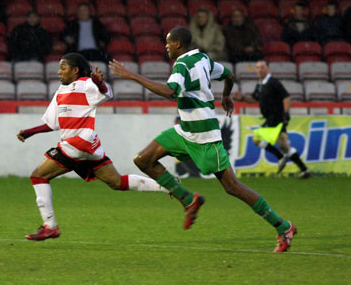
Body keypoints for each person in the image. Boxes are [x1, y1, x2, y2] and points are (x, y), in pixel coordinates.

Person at [109, 27, 297, 253]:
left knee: (232, 187)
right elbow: (229, 75)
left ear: (178, 44)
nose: (165, 46)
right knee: (143, 159)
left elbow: (170, 92)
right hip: (185, 131)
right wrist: (226, 95)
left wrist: (132, 75)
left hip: (206, 135)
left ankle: (283, 226)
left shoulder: (182, 65)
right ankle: (188, 199)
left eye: (168, 43)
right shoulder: (203, 59)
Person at [17, 53, 167, 241]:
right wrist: (31, 131)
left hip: (77, 144)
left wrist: (99, 84)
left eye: (63, 68)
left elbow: (106, 93)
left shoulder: (87, 84)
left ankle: (50, 226)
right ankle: (167, 186)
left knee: (38, 176)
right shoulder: (60, 92)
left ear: (75, 70)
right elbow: (53, 124)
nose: (59, 71)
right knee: (117, 182)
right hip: (89, 147)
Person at [234, 60, 311, 179]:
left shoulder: (273, 82)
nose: (259, 70)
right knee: (284, 145)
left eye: (262, 67)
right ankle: (304, 170)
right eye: (257, 67)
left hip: (275, 117)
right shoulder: (260, 84)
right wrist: (243, 98)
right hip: (271, 118)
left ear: (268, 69)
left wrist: (286, 113)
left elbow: (286, 97)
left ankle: (280, 157)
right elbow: (255, 99)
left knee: (256, 139)